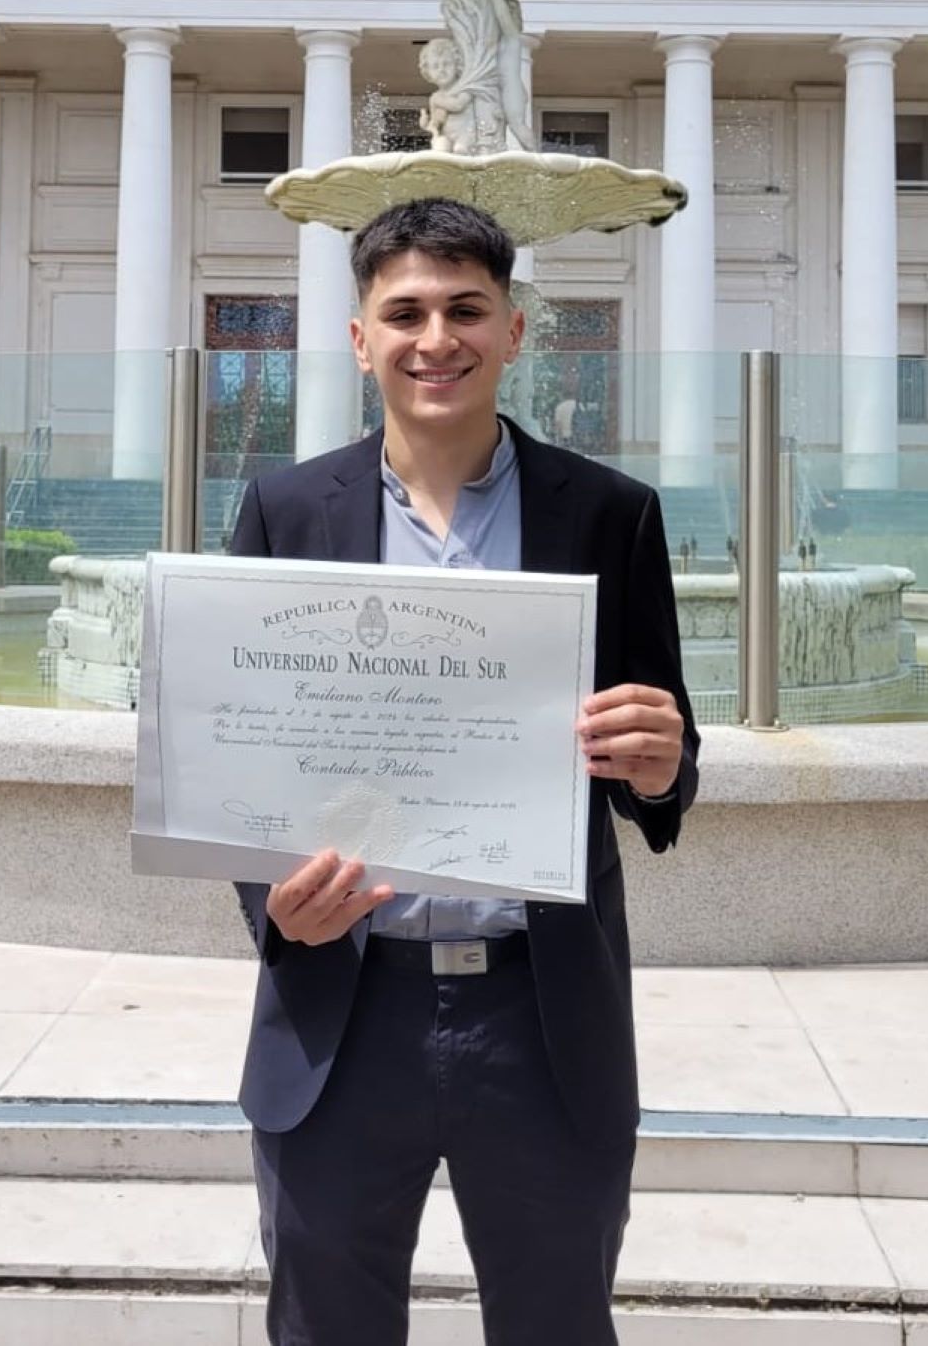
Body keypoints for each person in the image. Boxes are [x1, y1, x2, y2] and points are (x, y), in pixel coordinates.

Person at [230, 197, 699, 1345]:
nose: (436, 337)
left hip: (539, 1017)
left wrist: (665, 760)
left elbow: (664, 769)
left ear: (514, 330)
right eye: (405, 312)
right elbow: (243, 755)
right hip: (345, 1010)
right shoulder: (285, 512)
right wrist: (278, 910)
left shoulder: (610, 516)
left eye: (465, 308)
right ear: (359, 337)